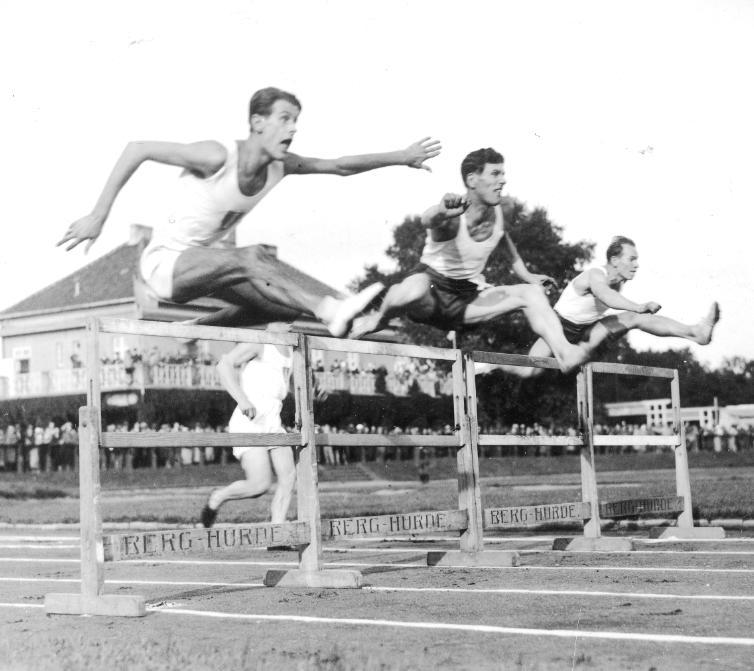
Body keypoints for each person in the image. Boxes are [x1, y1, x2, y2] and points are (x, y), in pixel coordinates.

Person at [59, 86, 441, 336]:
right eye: (284, 119)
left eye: (296, 122)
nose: (292, 129)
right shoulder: (216, 156)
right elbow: (136, 148)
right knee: (252, 258)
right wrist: (98, 215)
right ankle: (331, 309)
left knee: (278, 306)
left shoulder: (281, 165)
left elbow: (338, 165)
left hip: (205, 267)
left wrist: (401, 156)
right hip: (164, 265)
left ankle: (191, 330)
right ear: (258, 122)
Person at [349, 147, 588, 373]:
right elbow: (427, 220)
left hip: (466, 301)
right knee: (412, 288)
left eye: (503, 173)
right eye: (495, 174)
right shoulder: (453, 218)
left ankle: (565, 353)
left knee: (532, 293)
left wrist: (527, 275)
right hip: (430, 294)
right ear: (472, 180)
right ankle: (378, 319)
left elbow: (502, 237)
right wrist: (441, 210)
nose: (503, 180)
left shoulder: (504, 209)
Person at [480, 236, 720, 378]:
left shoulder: (620, 282)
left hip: (587, 331)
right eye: (631, 259)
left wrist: (635, 312)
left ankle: (695, 332)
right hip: (559, 328)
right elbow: (605, 296)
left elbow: (614, 305)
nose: (637, 265)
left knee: (632, 319)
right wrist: (638, 306)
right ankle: (491, 365)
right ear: (614, 260)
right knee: (529, 370)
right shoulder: (596, 275)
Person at [200, 322, 295, 528]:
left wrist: (315, 391)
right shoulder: (259, 342)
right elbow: (224, 365)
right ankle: (218, 496)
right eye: (283, 318)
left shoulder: (292, 350)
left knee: (288, 476)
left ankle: (277, 531)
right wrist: (242, 400)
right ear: (270, 322)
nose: (290, 323)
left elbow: (290, 386)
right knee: (259, 485)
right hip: (249, 420)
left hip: (273, 420)